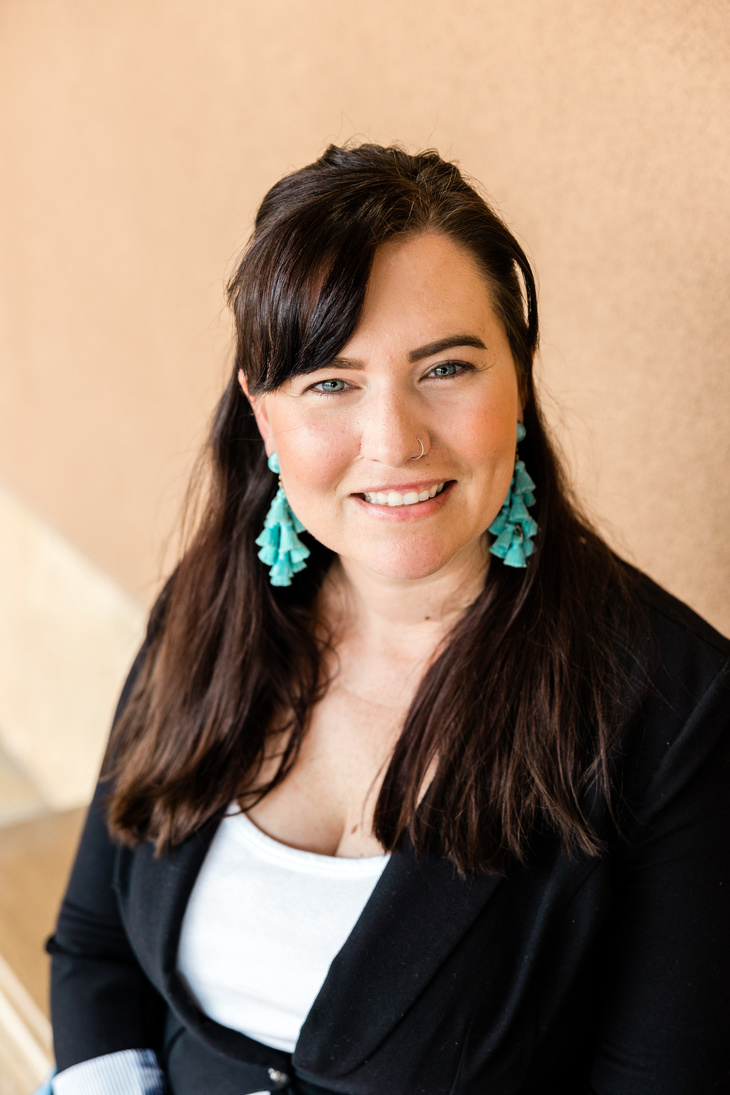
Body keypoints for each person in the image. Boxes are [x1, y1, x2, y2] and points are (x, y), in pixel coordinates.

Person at [47, 144, 730, 1095]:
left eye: (445, 367)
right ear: (263, 413)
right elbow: (93, 945)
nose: (394, 441)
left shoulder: (677, 707)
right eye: (330, 381)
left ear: (520, 380)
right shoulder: (208, 613)